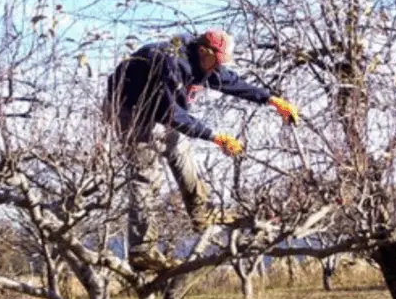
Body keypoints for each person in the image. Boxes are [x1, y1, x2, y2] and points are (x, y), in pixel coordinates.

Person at [103, 29, 299, 272]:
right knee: (147, 174)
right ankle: (141, 251)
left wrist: (270, 99)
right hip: (128, 109)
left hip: (158, 109)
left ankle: (200, 214)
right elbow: (170, 113)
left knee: (181, 152)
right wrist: (215, 137)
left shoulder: (204, 64)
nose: (217, 68)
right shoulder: (168, 61)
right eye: (216, 61)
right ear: (203, 51)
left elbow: (230, 82)